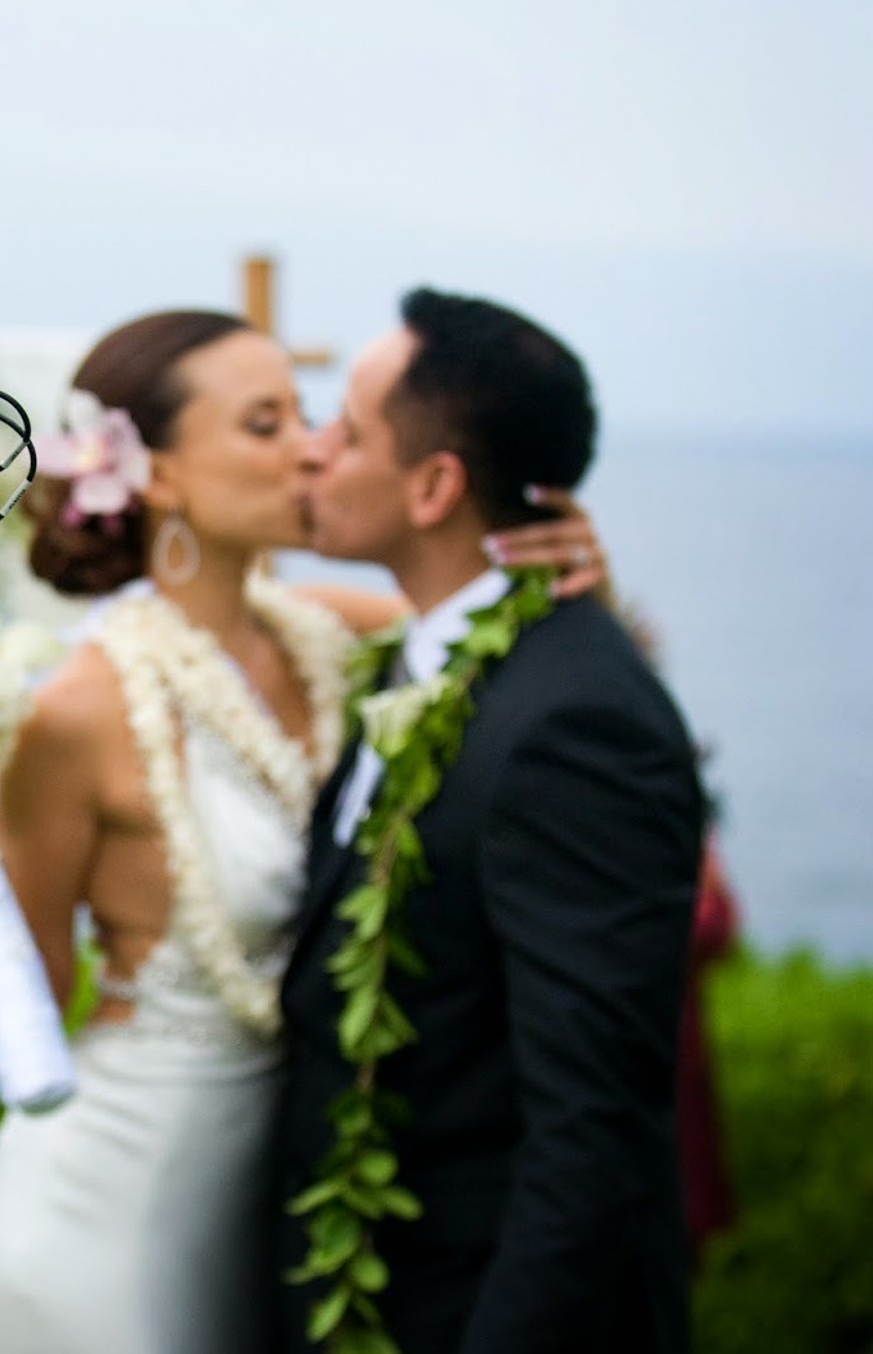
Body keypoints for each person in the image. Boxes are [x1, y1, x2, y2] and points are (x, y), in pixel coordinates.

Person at [0, 309, 609, 1353]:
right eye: (266, 424)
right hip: (105, 1226)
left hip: (274, 1221)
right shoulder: (77, 710)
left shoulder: (343, 639)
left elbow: (536, 701)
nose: (313, 445)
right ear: (160, 476)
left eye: (309, 416)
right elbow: (31, 1019)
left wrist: (577, 581)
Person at [278, 287, 705, 1352]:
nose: (314, 451)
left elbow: (591, 1132)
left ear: (434, 485)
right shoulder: (424, 663)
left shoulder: (578, 721)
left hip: (463, 1311)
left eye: (348, 429)